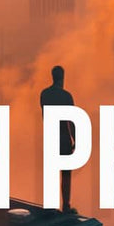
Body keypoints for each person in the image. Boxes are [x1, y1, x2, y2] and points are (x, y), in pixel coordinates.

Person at [40, 65, 76, 213]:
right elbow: (72, 121)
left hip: (50, 139)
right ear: (63, 77)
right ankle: (65, 205)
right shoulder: (66, 96)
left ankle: (50, 205)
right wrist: (76, 141)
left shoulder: (44, 94)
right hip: (64, 139)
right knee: (66, 175)